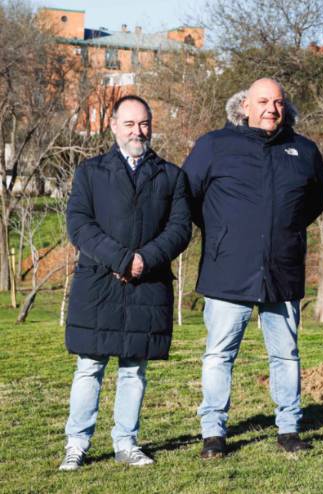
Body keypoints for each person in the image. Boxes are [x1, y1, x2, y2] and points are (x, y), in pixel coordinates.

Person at [183, 78, 323, 458]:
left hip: (282, 270)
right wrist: (226, 233)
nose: (271, 109)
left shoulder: (304, 150)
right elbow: (189, 198)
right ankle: (213, 432)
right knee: (219, 354)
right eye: (263, 101)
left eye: (278, 102)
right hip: (228, 270)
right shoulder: (214, 145)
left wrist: (283, 233)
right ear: (244, 106)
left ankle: (289, 428)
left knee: (286, 355)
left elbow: (313, 203)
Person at [61, 95, 191, 470]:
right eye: (130, 124)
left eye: (145, 123)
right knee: (90, 366)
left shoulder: (171, 175)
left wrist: (143, 260)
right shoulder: (90, 172)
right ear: (113, 125)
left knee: (135, 367)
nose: (139, 131)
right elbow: (79, 224)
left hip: (147, 286)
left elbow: (180, 229)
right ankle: (77, 443)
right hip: (99, 283)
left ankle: (126, 442)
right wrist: (121, 259)